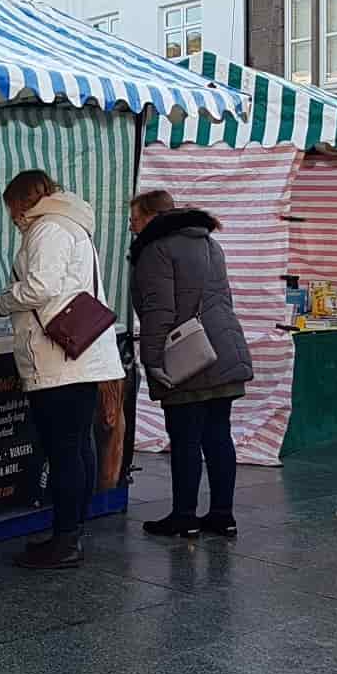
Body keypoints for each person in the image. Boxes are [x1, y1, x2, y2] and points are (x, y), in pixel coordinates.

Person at [0, 170, 125, 569]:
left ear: (20, 202)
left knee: (65, 450)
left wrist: (3, 300)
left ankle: (66, 540)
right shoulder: (73, 224)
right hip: (83, 354)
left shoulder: (46, 228)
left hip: (58, 358)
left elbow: (41, 286)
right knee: (78, 447)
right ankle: (71, 532)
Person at [128, 191, 256, 539]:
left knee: (185, 438)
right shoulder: (210, 243)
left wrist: (153, 360)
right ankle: (222, 514)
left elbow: (159, 311)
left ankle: (184, 517)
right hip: (223, 348)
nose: (131, 225)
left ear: (153, 216)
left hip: (187, 356)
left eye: (135, 218)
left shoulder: (157, 250)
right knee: (218, 434)